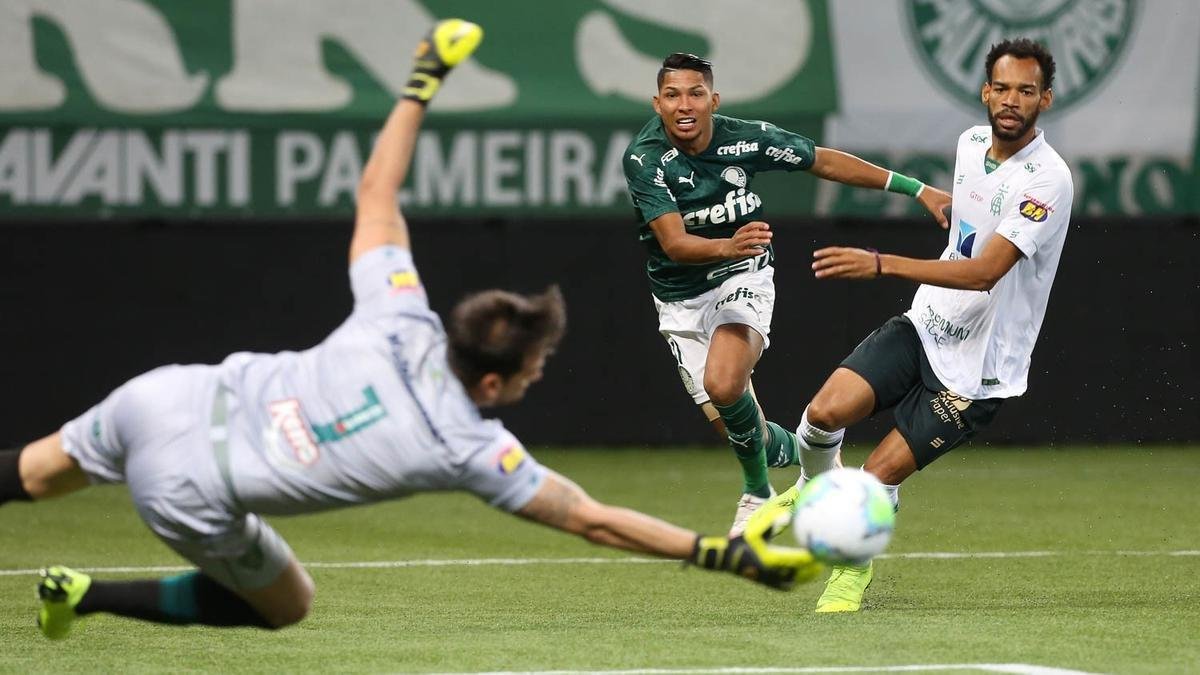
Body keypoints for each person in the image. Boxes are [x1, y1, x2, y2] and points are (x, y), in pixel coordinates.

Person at [0, 20, 821, 640]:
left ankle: (70, 583)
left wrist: (422, 83)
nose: (537, 378)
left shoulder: (395, 317)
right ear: (493, 382)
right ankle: (88, 595)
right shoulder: (462, 445)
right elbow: (592, 517)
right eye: (534, 369)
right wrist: (718, 553)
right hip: (192, 488)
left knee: (31, 473)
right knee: (289, 604)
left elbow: (375, 194)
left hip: (166, 395)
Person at [772, 38, 1073, 612]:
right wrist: (938, 201)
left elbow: (986, 272)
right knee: (821, 415)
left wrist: (881, 263)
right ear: (986, 91)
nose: (1012, 101)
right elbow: (970, 219)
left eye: (1026, 91)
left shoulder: (1048, 181)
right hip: (928, 323)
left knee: (878, 474)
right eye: (1003, 88)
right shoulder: (970, 144)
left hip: (978, 373)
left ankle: (850, 574)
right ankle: (815, 489)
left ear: (1046, 100)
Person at [622, 54, 952, 535]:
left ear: (713, 100)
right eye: (672, 95)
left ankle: (756, 494)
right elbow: (674, 243)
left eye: (696, 93)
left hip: (742, 274)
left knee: (722, 382)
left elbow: (823, 161)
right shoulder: (644, 157)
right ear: (657, 103)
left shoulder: (745, 138)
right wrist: (725, 243)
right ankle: (803, 457)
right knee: (743, 431)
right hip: (678, 296)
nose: (684, 105)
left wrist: (917, 188)